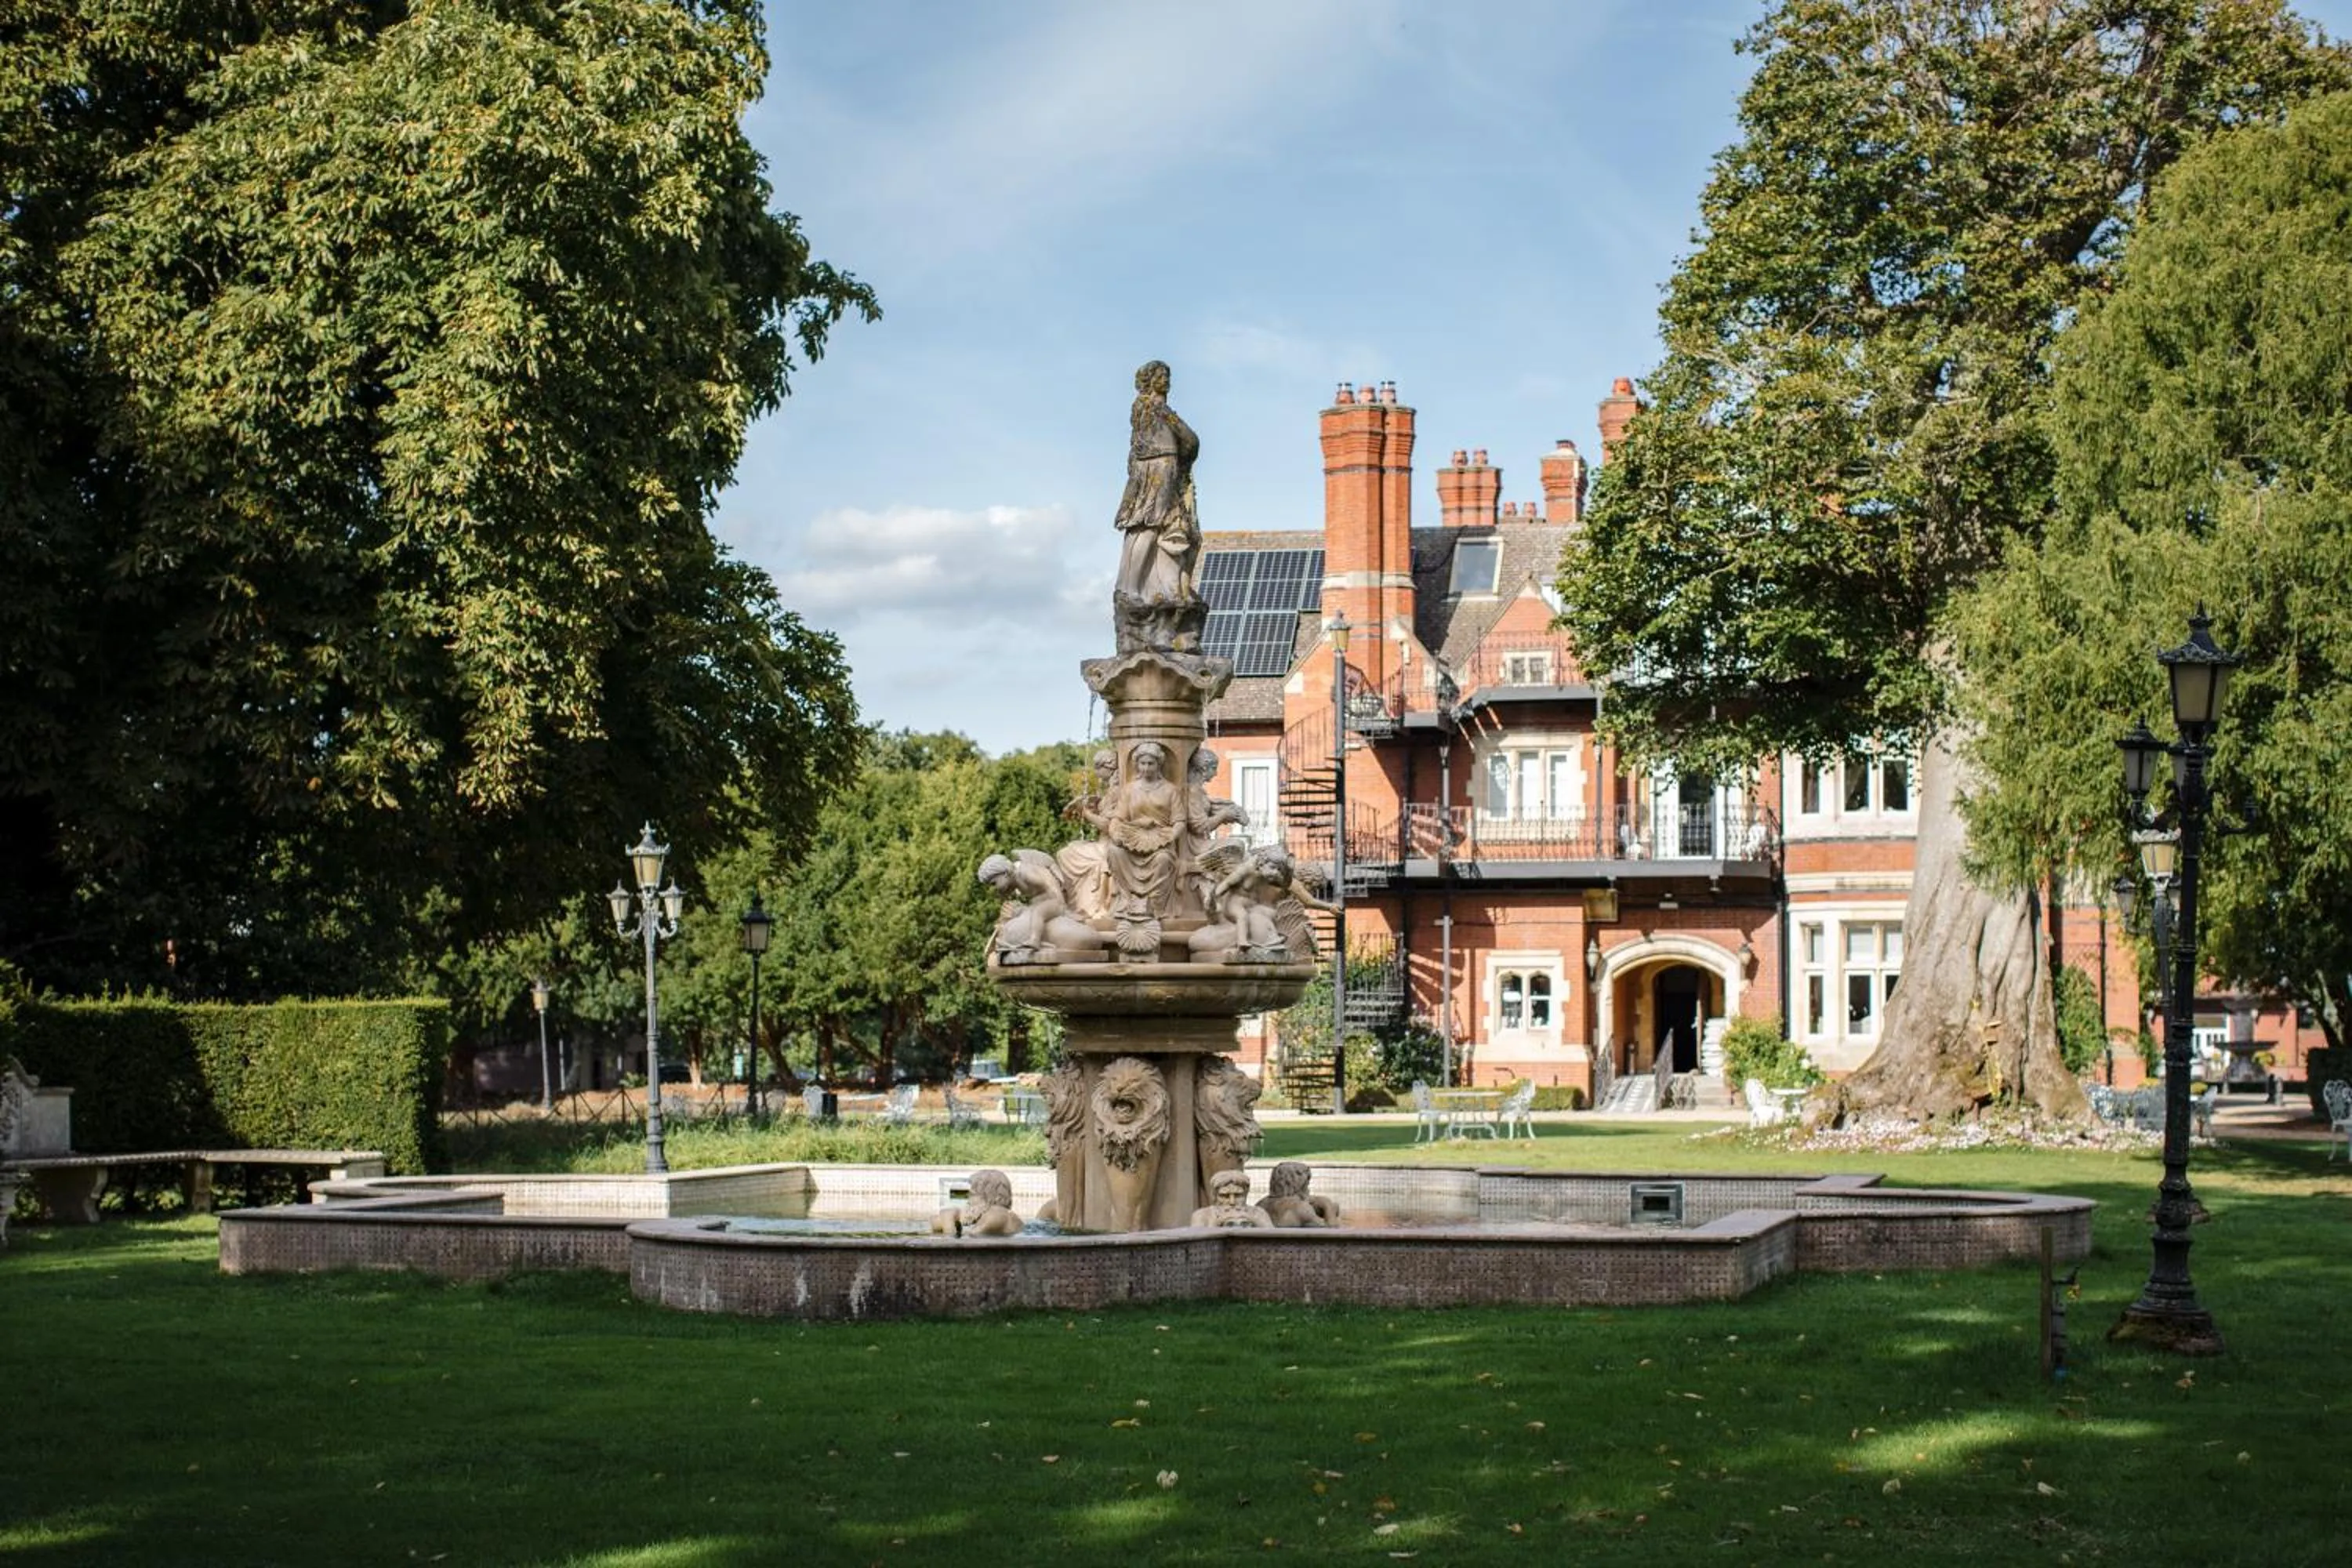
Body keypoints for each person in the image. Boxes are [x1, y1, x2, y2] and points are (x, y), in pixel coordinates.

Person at [1112, 360, 1201, 609]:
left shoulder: (1154, 410)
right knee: (1149, 523)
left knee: (1167, 528)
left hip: (1165, 469)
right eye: (1161, 375)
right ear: (1150, 381)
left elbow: (1189, 440)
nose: (1166, 380)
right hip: (1158, 469)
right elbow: (1189, 438)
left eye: (1167, 375)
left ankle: (1158, 588)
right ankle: (1132, 588)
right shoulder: (1152, 408)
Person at [1188, 1167, 1272, 1229]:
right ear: (1215, 1196)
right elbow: (1196, 1245)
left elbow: (1274, 1242)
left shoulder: (1258, 1213)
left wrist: (1255, 1222)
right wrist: (1216, 1224)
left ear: (1246, 1195)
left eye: (1238, 1196)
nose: (1232, 1202)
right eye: (1225, 1196)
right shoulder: (1202, 1215)